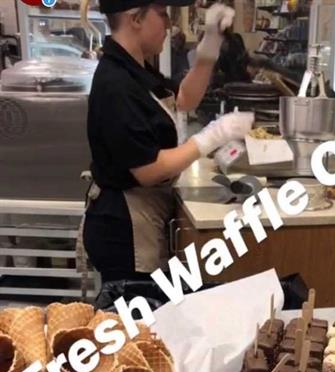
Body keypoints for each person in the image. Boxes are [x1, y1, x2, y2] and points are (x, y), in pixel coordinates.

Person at [82, 1, 253, 292]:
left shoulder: (135, 68)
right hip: (125, 228)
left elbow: (184, 98)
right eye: (162, 14)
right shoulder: (115, 83)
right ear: (136, 19)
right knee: (138, 316)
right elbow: (148, 170)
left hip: (142, 214)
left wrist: (209, 48)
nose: (169, 24)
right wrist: (213, 135)